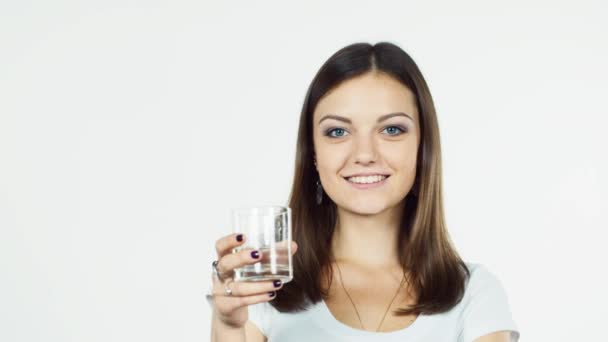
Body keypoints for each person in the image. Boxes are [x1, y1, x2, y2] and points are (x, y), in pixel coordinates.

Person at [208, 41, 520, 342]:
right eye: (338, 131)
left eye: (392, 129)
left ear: (422, 148)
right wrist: (227, 326)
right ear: (313, 153)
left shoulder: (474, 294)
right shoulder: (265, 290)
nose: (365, 153)